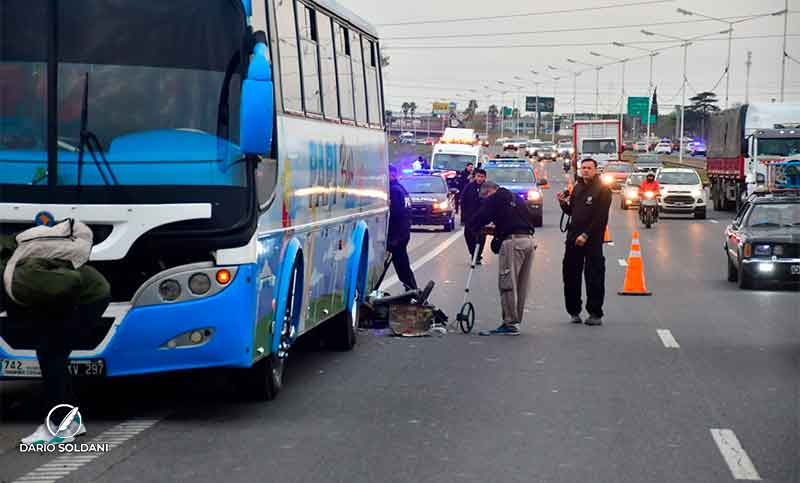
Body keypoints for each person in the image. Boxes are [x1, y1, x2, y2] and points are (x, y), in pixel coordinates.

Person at [466, 181, 537, 336]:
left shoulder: (496, 198)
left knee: (507, 283)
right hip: (528, 241)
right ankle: (516, 320)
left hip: (513, 243)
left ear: (489, 191)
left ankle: (510, 323)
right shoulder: (515, 198)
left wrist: (473, 227)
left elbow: (480, 218)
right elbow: (518, 220)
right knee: (521, 284)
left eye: (485, 197)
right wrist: (498, 229)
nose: (485, 200)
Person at [557, 158, 612, 326]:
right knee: (570, 275)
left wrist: (586, 235)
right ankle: (574, 311)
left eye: (589, 168)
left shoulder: (603, 189)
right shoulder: (578, 187)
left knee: (594, 275)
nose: (586, 170)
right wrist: (562, 203)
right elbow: (571, 211)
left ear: (596, 170)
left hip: (592, 240)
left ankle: (595, 313)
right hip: (573, 237)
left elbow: (601, 217)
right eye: (583, 168)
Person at [387, 165, 417, 291]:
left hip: (397, 235)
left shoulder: (394, 190)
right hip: (403, 232)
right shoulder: (401, 188)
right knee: (402, 263)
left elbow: (396, 213)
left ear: (392, 175)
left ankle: (412, 289)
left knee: (401, 264)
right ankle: (411, 288)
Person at [460, 168, 487, 264]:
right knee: (468, 235)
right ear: (475, 177)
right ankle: (473, 253)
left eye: (482, 177)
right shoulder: (469, 187)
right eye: (478, 176)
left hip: (482, 218)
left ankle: (477, 256)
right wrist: (463, 217)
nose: (480, 179)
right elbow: (462, 201)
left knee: (481, 237)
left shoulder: (487, 188)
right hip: (470, 217)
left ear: (485, 178)